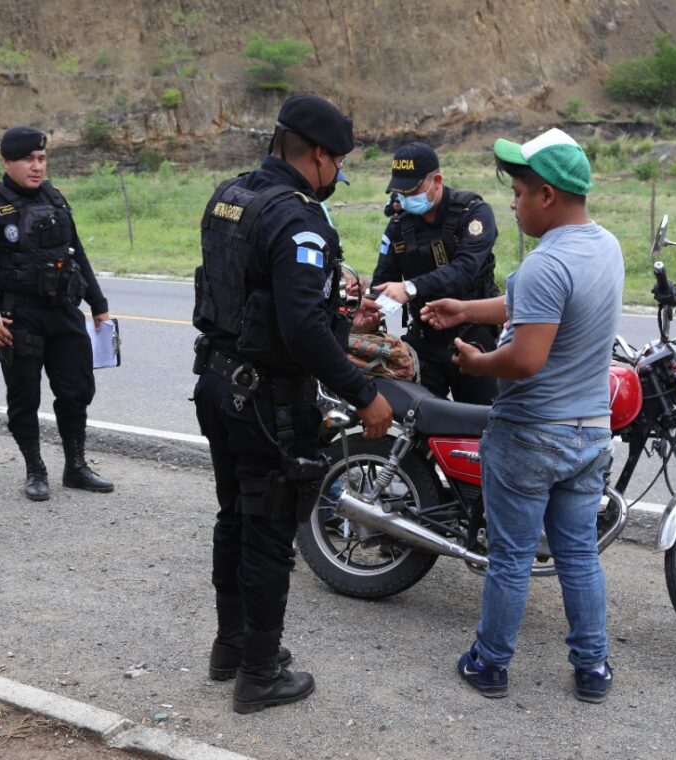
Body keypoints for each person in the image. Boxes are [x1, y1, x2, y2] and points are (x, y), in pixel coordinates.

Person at [192, 94, 393, 713]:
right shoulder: (299, 219)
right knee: (269, 533)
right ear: (320, 155)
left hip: (219, 383)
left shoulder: (231, 195)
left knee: (234, 517)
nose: (336, 176)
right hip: (267, 401)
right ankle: (258, 675)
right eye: (339, 165)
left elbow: (255, 293)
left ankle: (232, 648)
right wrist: (365, 394)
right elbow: (301, 328)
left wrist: (339, 314)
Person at [421, 128, 624, 703]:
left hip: (530, 435)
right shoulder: (605, 246)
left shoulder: (545, 264)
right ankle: (593, 667)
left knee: (510, 559)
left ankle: (489, 664)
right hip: (589, 433)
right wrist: (466, 308)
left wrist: (476, 361)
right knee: (578, 556)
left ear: (547, 196)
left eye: (518, 193)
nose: (512, 204)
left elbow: (527, 357)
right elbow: (537, 307)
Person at [0, 126, 113, 501]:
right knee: (24, 397)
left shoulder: (55, 198)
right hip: (18, 316)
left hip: (64, 311)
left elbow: (77, 253)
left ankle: (76, 466)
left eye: (41, 159)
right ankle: (35, 470)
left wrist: (99, 304)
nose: (37, 166)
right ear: (7, 162)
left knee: (76, 391)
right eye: (28, 160)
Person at [371, 141, 501, 404]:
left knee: (480, 419)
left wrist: (410, 288)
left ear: (437, 181)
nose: (406, 198)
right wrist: (369, 309)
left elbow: (464, 270)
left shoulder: (473, 213)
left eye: (412, 191)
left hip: (472, 335)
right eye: (400, 192)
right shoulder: (399, 224)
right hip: (424, 338)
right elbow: (384, 281)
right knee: (415, 417)